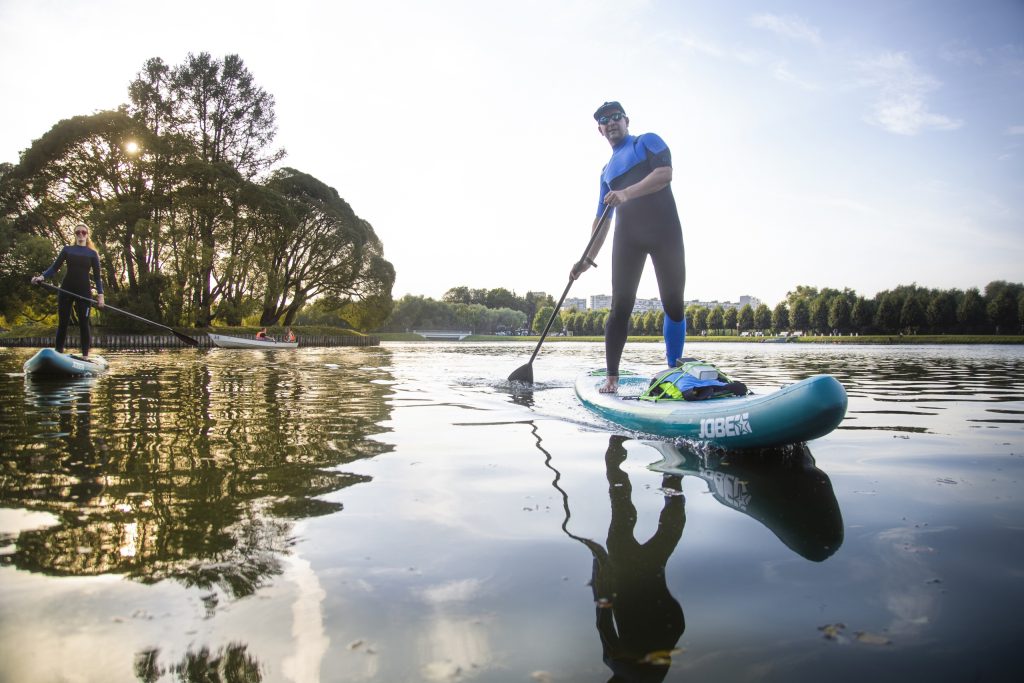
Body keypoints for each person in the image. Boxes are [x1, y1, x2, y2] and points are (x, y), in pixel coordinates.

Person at [571, 101, 686, 393]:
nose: (611, 122)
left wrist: (625, 194)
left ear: (627, 120)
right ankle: (612, 378)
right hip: (628, 240)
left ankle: (674, 368)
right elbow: (601, 220)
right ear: (600, 130)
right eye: (604, 120)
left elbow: (664, 175)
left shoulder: (647, 142)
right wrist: (585, 260)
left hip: (665, 232)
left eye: (616, 117)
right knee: (620, 306)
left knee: (673, 302)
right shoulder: (605, 172)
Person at [31, 223, 105, 358]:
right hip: (66, 290)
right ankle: (58, 354)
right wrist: (41, 277)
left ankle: (85, 356)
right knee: (63, 323)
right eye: (78, 232)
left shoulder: (92, 254)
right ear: (75, 235)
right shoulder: (67, 250)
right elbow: (54, 268)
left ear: (87, 235)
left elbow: (97, 277)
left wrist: (100, 295)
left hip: (84, 293)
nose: (81, 234)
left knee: (84, 323)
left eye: (83, 232)